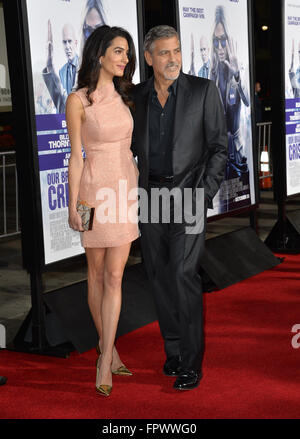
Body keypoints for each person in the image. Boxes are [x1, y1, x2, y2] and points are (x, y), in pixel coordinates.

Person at [131, 25, 227, 391]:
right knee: (158, 276)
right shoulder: (136, 97)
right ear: (149, 57)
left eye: (177, 51)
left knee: (183, 275)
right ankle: (172, 351)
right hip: (150, 198)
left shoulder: (203, 91)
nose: (173, 59)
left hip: (189, 195)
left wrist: (203, 195)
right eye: (165, 53)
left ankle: (191, 361)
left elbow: (219, 148)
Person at [66, 25, 138, 397]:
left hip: (125, 191)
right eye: (119, 51)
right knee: (95, 275)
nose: (125, 59)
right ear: (99, 55)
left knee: (115, 276)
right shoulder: (78, 100)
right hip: (93, 194)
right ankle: (108, 352)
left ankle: (104, 354)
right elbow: (76, 158)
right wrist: (74, 203)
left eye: (127, 52)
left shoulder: (127, 96)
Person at [210, 5, 250, 213]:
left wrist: (236, 74)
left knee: (240, 203)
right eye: (215, 40)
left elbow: (248, 100)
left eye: (223, 39)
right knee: (218, 208)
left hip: (237, 154)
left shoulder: (238, 66)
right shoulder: (211, 71)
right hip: (217, 156)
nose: (219, 46)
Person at [43, 21, 79, 113]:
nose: (67, 46)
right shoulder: (62, 71)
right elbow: (62, 103)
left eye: (69, 41)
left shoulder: (86, 67)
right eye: (64, 42)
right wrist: (49, 65)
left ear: (76, 42)